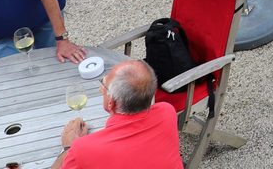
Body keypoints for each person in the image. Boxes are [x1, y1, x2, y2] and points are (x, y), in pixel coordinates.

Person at [53, 60, 182, 169]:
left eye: (104, 85)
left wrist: (68, 148)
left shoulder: (82, 150)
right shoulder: (167, 112)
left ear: (111, 103)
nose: (100, 89)